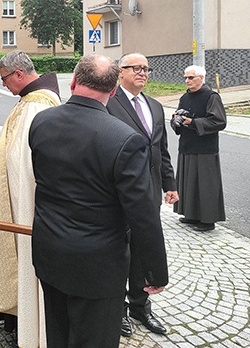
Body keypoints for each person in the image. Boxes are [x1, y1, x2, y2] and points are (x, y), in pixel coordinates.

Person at [28, 53, 169, 348]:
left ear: (74, 82)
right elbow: (142, 214)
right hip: (97, 266)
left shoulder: (42, 122)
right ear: (113, 90)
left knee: (58, 335)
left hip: (49, 252)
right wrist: (155, 270)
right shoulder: (125, 139)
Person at [0, 51, 60, 348]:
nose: (5, 86)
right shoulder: (33, 100)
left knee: (24, 255)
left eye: (5, 79)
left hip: (27, 202)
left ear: (19, 75)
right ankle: (16, 312)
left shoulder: (35, 106)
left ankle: (27, 317)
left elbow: (20, 158)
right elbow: (18, 141)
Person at [107, 53, 179, 337]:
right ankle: (118, 309)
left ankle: (140, 304)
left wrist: (169, 184)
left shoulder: (155, 106)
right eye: (135, 68)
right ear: (120, 72)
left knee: (143, 249)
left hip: (149, 191)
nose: (142, 72)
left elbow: (160, 150)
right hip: (119, 193)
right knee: (120, 251)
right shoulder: (110, 104)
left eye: (146, 68)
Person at [172, 65, 227, 232]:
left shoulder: (211, 97)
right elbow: (179, 118)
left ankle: (208, 220)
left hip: (205, 148)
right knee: (188, 182)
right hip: (187, 145)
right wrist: (176, 121)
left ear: (201, 78)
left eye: (191, 77)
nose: (187, 81)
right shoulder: (185, 97)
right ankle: (191, 214)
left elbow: (219, 121)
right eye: (186, 78)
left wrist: (193, 122)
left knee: (205, 185)